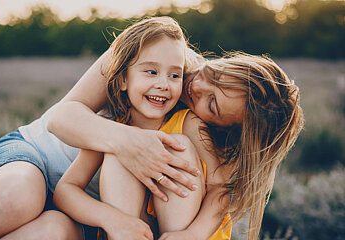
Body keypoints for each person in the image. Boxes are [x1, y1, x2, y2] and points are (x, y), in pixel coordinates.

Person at [49, 43, 304, 240]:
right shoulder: (114, 126)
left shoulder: (193, 127)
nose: (196, 85)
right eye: (213, 73)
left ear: (223, 129)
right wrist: (113, 219)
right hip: (137, 226)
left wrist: (191, 235)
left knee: (177, 149)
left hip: (185, 230)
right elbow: (67, 187)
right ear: (124, 79)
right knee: (121, 152)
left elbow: (221, 190)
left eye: (212, 104)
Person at [0, 17, 201, 240]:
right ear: (122, 79)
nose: (164, 84)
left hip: (85, 210)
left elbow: (220, 188)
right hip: (36, 154)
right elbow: (59, 120)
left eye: (175, 76)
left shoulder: (194, 109)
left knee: (52, 231)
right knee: (19, 199)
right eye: (152, 72)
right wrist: (129, 140)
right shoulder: (149, 43)